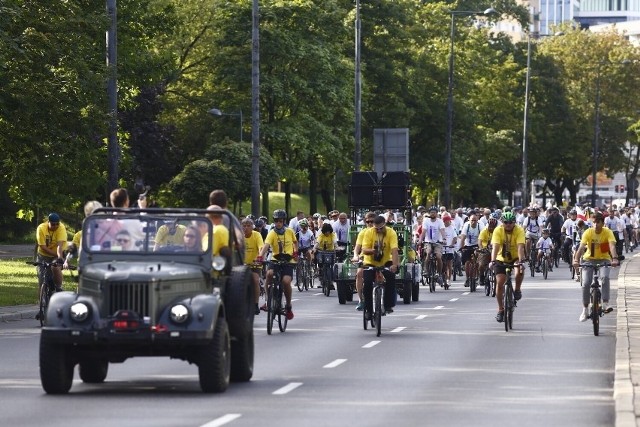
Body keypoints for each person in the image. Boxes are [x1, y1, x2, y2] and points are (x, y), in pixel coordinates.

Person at [573, 212, 619, 322]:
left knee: (605, 278)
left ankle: (605, 303)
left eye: (598, 222)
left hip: (604, 259)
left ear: (603, 223)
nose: (595, 225)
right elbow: (581, 248)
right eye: (594, 222)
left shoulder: (608, 232)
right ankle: (585, 309)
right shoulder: (588, 232)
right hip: (589, 259)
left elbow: (612, 246)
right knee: (586, 283)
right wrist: (575, 260)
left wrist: (615, 258)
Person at [257, 209, 298, 320]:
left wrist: (295, 252)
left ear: (283, 221)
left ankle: (288, 305)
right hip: (275, 259)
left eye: (280, 221)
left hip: (288, 261)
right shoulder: (272, 233)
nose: (278, 223)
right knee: (269, 274)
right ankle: (267, 300)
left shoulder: (290, 231)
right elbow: (266, 246)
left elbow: (295, 242)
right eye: (276, 221)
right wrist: (260, 256)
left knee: (285, 281)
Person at [490, 211, 526, 323]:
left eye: (511, 222)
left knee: (519, 271)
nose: (508, 224)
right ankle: (501, 309)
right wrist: (493, 261)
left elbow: (520, 247)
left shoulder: (519, 230)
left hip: (515, 257)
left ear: (514, 222)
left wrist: (521, 261)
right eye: (506, 222)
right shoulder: (498, 230)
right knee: (500, 282)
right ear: (502, 222)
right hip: (501, 258)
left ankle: (517, 289)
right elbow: (495, 247)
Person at [361, 215, 399, 318]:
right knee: (368, 283)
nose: (378, 230)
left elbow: (394, 250)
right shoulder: (369, 232)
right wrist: (373, 251)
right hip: (370, 262)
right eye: (376, 228)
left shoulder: (391, 233)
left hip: (385, 261)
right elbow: (364, 250)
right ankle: (368, 309)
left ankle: (388, 305)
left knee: (391, 277)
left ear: (385, 225)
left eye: (381, 228)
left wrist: (395, 265)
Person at [35, 213, 67, 293]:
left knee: (55, 267)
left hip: (58, 253)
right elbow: (43, 246)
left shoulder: (61, 228)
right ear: (48, 222)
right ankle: (42, 302)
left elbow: (60, 245)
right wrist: (55, 254)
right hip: (43, 254)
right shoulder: (41, 228)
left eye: (57, 224)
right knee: (42, 279)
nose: (55, 226)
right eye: (53, 224)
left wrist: (59, 257)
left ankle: (58, 287)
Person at [65, 200, 103, 266]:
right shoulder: (80, 235)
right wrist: (66, 261)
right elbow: (72, 251)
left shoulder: (108, 232)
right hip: (87, 265)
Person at [352, 212, 377, 310]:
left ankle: (384, 298)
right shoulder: (363, 232)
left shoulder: (381, 232)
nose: (370, 223)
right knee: (359, 274)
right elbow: (357, 248)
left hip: (379, 258)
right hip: (365, 258)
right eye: (368, 222)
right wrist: (355, 256)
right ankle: (361, 299)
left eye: (372, 221)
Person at [418, 206, 447, 284]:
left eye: (434, 212)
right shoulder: (426, 221)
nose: (432, 214)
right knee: (428, 252)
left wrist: (444, 239)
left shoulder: (440, 221)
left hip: (438, 242)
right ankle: (426, 270)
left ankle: (439, 273)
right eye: (431, 212)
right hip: (428, 242)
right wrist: (420, 240)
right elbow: (423, 232)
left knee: (438, 256)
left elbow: (442, 231)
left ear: (437, 214)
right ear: (429, 213)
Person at [242, 217, 264, 315]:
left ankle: (255, 304)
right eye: (244, 226)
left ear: (252, 227)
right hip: (242, 265)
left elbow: (261, 247)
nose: (246, 228)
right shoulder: (239, 236)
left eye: (248, 226)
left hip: (255, 264)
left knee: (255, 280)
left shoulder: (257, 235)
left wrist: (259, 257)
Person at [459, 213, 482, 287]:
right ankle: (467, 278)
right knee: (467, 262)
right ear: (469, 220)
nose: (473, 222)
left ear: (477, 220)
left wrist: (481, 248)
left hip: (477, 244)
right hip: (468, 245)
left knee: (478, 260)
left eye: (475, 220)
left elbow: (482, 238)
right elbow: (462, 238)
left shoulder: (480, 226)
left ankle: (477, 275)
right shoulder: (466, 225)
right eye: (472, 220)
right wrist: (462, 248)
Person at [441, 214, 458, 287]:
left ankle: (449, 279)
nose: (450, 221)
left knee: (449, 265)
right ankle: (441, 277)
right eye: (448, 220)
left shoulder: (452, 228)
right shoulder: (441, 228)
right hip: (442, 248)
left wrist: (452, 244)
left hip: (449, 249)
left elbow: (455, 237)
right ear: (445, 221)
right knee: (441, 264)